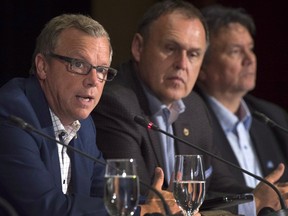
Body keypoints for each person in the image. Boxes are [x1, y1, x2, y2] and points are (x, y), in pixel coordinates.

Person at [91, 0, 288, 215]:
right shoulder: (117, 104)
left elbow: (219, 186)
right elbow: (138, 200)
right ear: (139, 48)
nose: (182, 64)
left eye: (193, 54)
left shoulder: (193, 106)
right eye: (171, 48)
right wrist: (253, 204)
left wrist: (260, 196)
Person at [0, 13, 185, 216]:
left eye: (102, 70)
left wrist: (162, 204)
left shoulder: (84, 125)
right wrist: (139, 211)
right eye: (79, 64)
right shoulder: (13, 114)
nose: (94, 81)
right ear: (43, 66)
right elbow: (44, 209)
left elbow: (105, 191)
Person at [195, 5, 288, 189]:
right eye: (235, 51)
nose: (250, 59)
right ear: (203, 66)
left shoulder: (272, 117)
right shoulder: (189, 122)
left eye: (250, 49)